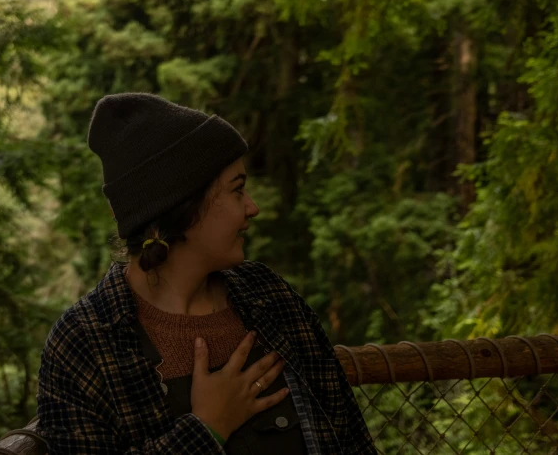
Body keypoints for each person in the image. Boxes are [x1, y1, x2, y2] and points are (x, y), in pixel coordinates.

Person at [36, 93, 375, 454]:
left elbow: (350, 440)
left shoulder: (272, 299)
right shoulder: (82, 344)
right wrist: (206, 429)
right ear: (182, 205)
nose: (252, 208)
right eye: (237, 189)